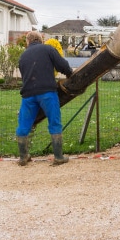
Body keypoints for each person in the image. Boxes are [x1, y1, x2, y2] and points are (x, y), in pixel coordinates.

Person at [16, 31, 73, 166]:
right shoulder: (48, 49)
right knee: (54, 122)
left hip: (28, 95)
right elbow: (62, 65)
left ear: (28, 41)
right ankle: (58, 157)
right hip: (47, 92)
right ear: (41, 39)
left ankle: (23, 157)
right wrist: (70, 73)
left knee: (24, 125)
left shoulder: (23, 56)